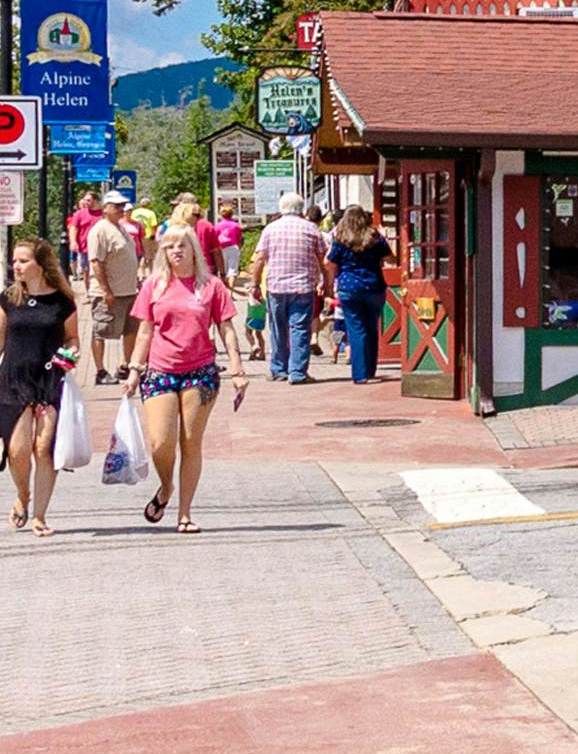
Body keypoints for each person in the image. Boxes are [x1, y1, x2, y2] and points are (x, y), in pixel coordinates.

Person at [129, 236, 249, 530]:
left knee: (191, 442)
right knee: (160, 442)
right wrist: (134, 369)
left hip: (200, 372)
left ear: (193, 249)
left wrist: (237, 369)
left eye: (182, 245)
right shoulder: (154, 285)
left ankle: (185, 513)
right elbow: (144, 331)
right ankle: (166, 486)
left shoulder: (211, 286)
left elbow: (226, 328)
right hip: (160, 370)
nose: (176, 251)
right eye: (169, 246)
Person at [0, 233, 81, 535]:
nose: (16, 266)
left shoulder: (63, 301)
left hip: (49, 376)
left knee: (43, 448)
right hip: (12, 378)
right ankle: (22, 494)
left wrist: (71, 355)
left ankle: (39, 515)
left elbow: (72, 339)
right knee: (18, 449)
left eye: (23, 261)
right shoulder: (9, 298)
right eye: (14, 261)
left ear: (40, 264)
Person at [251, 194, 329, 383]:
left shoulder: (270, 229)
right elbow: (322, 259)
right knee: (300, 328)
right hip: (303, 286)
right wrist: (325, 281)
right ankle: (297, 372)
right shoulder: (311, 229)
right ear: (301, 209)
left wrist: (254, 284)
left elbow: (260, 258)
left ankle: (279, 369)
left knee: (278, 328)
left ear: (281, 207)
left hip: (276, 287)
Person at [325, 204, 394, 385]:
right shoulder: (375, 237)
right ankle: (370, 368)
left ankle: (360, 373)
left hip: (349, 288)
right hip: (374, 287)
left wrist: (329, 285)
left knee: (356, 329)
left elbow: (330, 264)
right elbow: (391, 259)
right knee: (371, 328)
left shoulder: (340, 239)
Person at [83, 199, 145, 387]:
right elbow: (96, 261)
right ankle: (100, 371)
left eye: (122, 206)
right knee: (101, 331)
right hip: (109, 293)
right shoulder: (100, 230)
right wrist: (105, 290)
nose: (121, 209)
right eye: (116, 206)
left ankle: (126, 366)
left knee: (131, 331)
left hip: (127, 291)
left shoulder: (120, 228)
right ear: (105, 208)